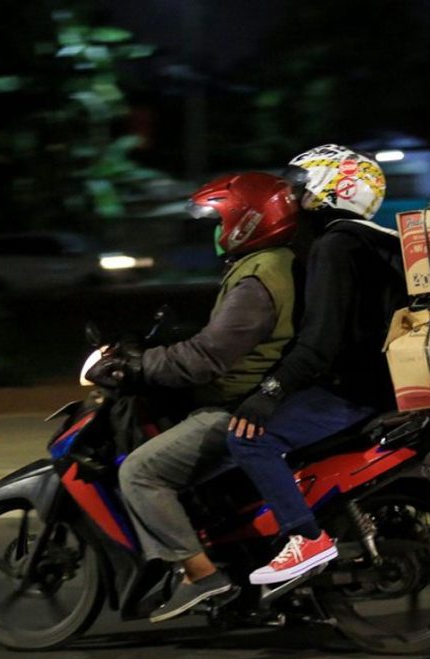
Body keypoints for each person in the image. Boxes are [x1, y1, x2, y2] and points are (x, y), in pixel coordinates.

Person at [87, 172, 300, 622]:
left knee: (141, 474)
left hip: (235, 405)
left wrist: (139, 365)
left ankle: (202, 576)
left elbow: (206, 358)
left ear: (244, 223)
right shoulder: (272, 265)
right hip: (250, 395)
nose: (215, 232)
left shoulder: (258, 281)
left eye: (219, 220)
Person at [226, 144, 406, 586]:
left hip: (353, 391)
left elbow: (320, 343)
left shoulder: (335, 246)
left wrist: (268, 394)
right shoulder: (383, 241)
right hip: (392, 384)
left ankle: (306, 537)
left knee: (248, 438)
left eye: (302, 187)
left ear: (332, 189)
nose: (294, 198)